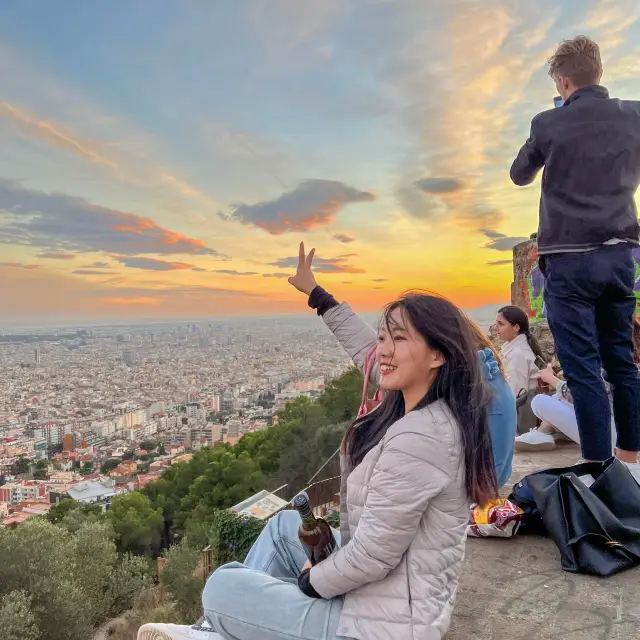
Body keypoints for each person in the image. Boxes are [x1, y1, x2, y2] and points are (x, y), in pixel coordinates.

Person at [147, 242, 498, 640]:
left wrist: (311, 581)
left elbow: (373, 557)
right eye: (383, 338)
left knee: (222, 587)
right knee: (283, 526)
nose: (383, 350)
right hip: (386, 593)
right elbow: (366, 350)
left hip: (386, 623)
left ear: (438, 355)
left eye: (398, 339)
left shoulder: (420, 438)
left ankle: (215, 630)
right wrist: (318, 295)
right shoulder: (415, 401)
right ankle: (221, 629)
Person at [510, 35, 640, 474]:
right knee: (621, 360)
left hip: (568, 260)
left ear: (563, 81)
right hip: (620, 254)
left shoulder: (549, 122)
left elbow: (519, 175)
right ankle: (631, 460)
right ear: (598, 73)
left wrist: (551, 131)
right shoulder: (633, 114)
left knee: (583, 367)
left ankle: (597, 469)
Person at [494, 305, 545, 398]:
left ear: (516, 327)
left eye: (500, 324)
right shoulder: (519, 348)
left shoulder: (517, 355)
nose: (495, 328)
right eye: (496, 323)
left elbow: (515, 394)